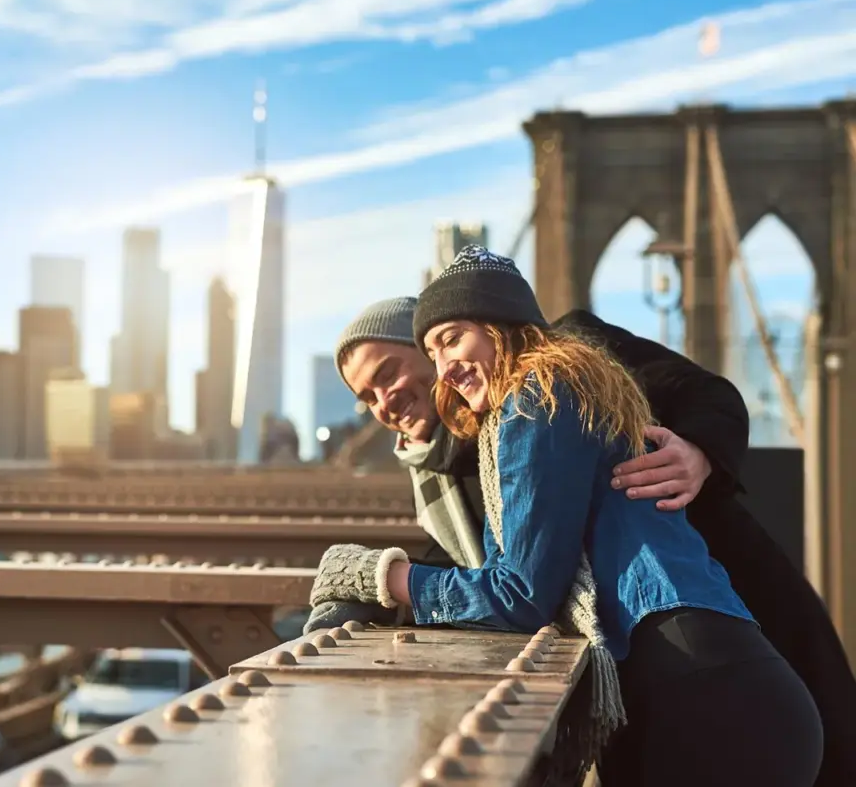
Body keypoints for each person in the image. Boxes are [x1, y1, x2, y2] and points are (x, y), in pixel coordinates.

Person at [311, 258, 856, 787]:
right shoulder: (466, 456)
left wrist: (698, 453)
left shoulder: (546, 387)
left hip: (710, 655)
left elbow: (517, 591)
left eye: (446, 341)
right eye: (366, 398)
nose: (384, 401)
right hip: (668, 682)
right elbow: (502, 576)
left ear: (496, 325)